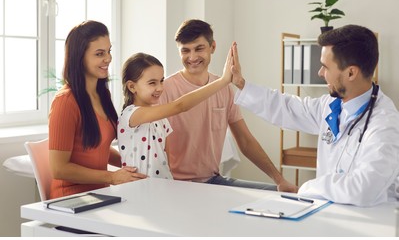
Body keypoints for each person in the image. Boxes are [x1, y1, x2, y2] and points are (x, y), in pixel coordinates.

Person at [231, 24, 399, 207]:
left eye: (325, 67)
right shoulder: (331, 105)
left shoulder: (385, 124)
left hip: (373, 224)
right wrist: (241, 83)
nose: (320, 73)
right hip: (329, 213)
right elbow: (287, 107)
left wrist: (306, 189)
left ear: (351, 72)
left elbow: (363, 188)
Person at [159, 19, 297, 192]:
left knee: (279, 195)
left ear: (213, 47)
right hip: (175, 185)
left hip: (213, 181)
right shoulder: (165, 89)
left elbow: (245, 141)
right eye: (185, 51)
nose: (192, 57)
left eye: (199, 48)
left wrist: (279, 180)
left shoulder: (224, 89)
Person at [48, 20, 146, 199]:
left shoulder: (103, 95)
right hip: (72, 199)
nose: (108, 59)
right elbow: (59, 168)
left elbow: (98, 148)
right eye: (99, 53)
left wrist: (137, 166)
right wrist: (112, 177)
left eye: (109, 51)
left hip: (101, 194)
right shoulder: (65, 102)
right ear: (80, 58)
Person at [117, 50, 234, 179]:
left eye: (161, 81)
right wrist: (223, 81)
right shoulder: (131, 115)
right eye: (152, 83)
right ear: (132, 87)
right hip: (139, 190)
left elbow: (168, 161)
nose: (160, 88)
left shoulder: (161, 120)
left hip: (163, 187)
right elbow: (180, 106)